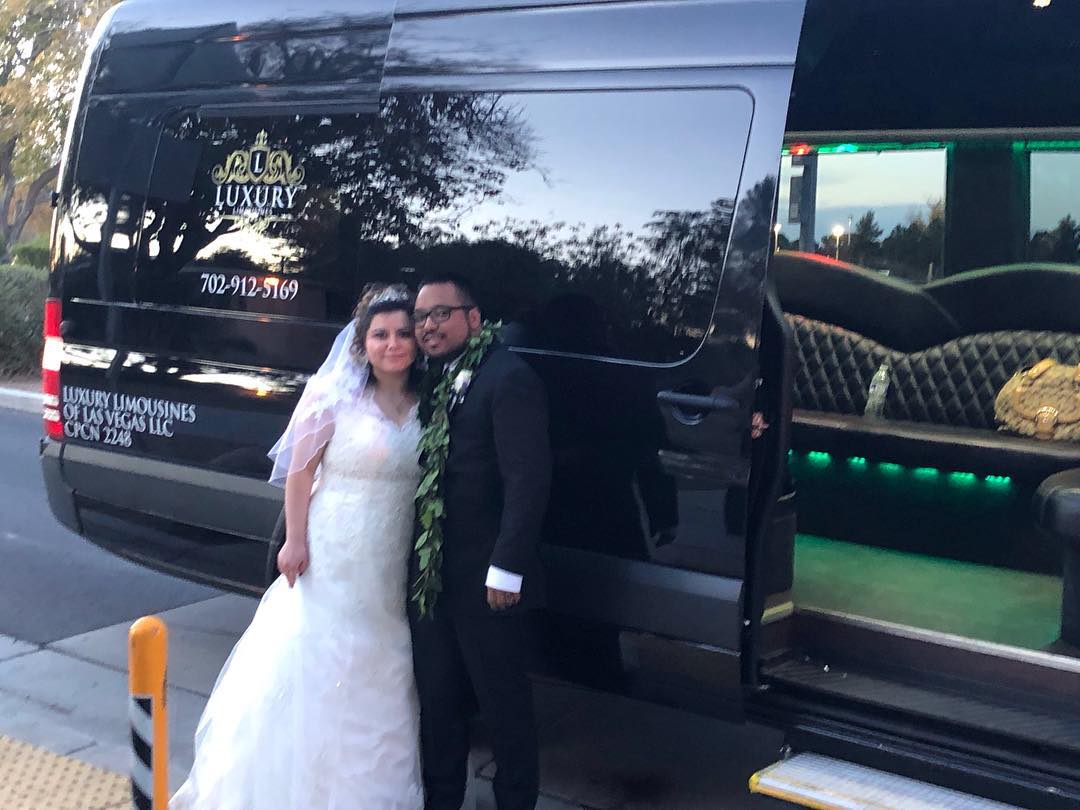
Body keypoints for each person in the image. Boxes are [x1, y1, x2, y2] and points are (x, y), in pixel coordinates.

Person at [171, 284, 425, 810]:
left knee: (384, 663)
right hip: (334, 550)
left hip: (390, 559)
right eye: (381, 334)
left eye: (403, 333)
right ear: (362, 342)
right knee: (315, 656)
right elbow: (299, 473)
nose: (393, 344)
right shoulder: (333, 396)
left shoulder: (428, 403)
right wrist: (294, 540)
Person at [409, 273, 551, 810]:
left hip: (487, 578)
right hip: (432, 580)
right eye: (421, 318)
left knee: (504, 708)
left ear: (473, 317)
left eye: (440, 314)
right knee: (438, 703)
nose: (428, 327)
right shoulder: (433, 377)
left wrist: (507, 567)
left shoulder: (507, 377)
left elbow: (528, 479)